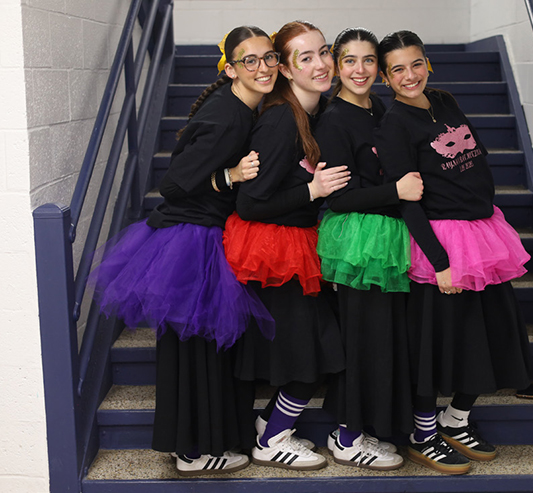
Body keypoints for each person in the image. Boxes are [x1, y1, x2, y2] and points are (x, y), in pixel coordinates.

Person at [89, 25, 279, 476]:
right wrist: (230, 176)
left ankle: (193, 446)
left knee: (197, 347)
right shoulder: (228, 117)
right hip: (192, 238)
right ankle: (192, 452)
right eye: (250, 60)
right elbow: (173, 184)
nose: (263, 67)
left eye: (269, 57)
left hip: (200, 232)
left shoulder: (239, 107)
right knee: (194, 349)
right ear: (231, 68)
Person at [374, 30, 533, 475]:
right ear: (386, 78)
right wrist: (440, 262)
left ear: (427, 63)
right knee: (436, 343)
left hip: (482, 233)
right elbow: (408, 202)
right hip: (442, 242)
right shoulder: (394, 124)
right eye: (398, 70)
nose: (410, 76)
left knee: (491, 334)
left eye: (416, 64)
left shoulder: (443, 100)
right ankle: (422, 434)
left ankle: (455, 419)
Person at [223, 20, 350, 471]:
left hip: (300, 245)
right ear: (287, 69)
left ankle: (271, 428)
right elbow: (250, 203)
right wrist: (312, 192)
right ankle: (271, 438)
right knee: (313, 354)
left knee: (320, 350)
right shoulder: (280, 121)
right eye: (305, 57)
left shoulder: (319, 111)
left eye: (324, 52)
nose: (321, 64)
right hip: (274, 252)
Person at [314, 27, 422, 471]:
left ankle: (363, 427)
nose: (360, 70)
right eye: (350, 61)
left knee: (383, 338)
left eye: (369, 60)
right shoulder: (334, 119)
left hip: (388, 233)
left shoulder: (379, 107)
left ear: (379, 67)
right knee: (362, 338)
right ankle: (345, 437)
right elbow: (339, 198)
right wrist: (396, 190)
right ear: (337, 66)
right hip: (359, 240)